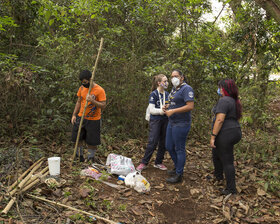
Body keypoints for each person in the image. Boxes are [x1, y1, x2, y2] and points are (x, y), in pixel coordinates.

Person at [210, 78, 242, 195]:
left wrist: (213, 136)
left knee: (227, 160)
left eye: (220, 88)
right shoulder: (233, 100)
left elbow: (219, 119)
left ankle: (231, 189)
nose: (219, 90)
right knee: (216, 153)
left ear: (224, 89)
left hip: (226, 133)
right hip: (234, 131)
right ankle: (218, 176)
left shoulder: (224, 100)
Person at [164, 69, 194, 183]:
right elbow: (171, 102)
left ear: (182, 77)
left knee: (179, 148)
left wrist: (174, 111)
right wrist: (166, 107)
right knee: (169, 146)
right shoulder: (174, 89)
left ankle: (179, 174)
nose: (173, 79)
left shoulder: (187, 89)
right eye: (172, 76)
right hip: (172, 122)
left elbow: (190, 106)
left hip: (182, 123)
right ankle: (177, 167)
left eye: (176, 76)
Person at [71, 69, 106, 162]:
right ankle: (79, 157)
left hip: (94, 119)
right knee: (77, 138)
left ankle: (90, 158)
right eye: (82, 82)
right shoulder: (82, 88)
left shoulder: (99, 90)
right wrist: (74, 115)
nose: (83, 84)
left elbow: (103, 105)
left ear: (91, 79)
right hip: (81, 116)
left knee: (92, 141)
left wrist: (92, 101)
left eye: (85, 82)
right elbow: (78, 101)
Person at [136, 74, 169, 171]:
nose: (167, 83)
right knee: (153, 141)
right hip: (155, 120)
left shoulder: (167, 94)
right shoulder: (153, 94)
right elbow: (151, 109)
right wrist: (161, 111)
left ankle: (158, 162)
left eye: (167, 81)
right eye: (165, 81)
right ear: (159, 83)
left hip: (165, 120)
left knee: (163, 142)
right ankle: (144, 163)